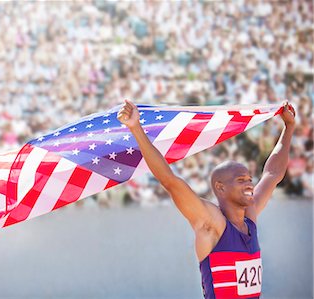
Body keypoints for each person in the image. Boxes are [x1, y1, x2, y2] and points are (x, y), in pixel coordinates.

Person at [117, 99, 295, 299]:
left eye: (249, 179)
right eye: (241, 180)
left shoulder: (249, 219)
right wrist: (136, 128)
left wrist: (289, 127)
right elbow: (170, 181)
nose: (249, 185)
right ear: (220, 187)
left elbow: (273, 174)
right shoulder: (212, 224)